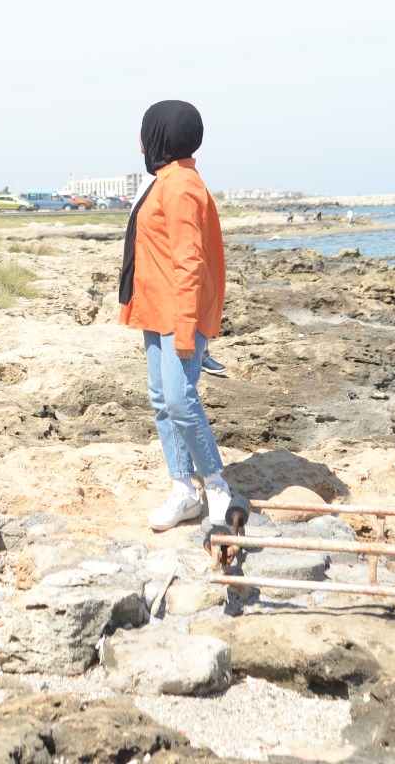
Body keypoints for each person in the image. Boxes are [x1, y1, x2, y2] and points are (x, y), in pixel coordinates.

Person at [118, 100, 233, 531]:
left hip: (178, 314)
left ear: (161, 134)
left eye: (145, 129)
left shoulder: (181, 185)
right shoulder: (166, 179)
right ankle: (183, 490)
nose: (140, 138)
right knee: (163, 401)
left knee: (181, 402)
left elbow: (190, 262)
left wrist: (186, 329)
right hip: (156, 308)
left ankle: (216, 486)